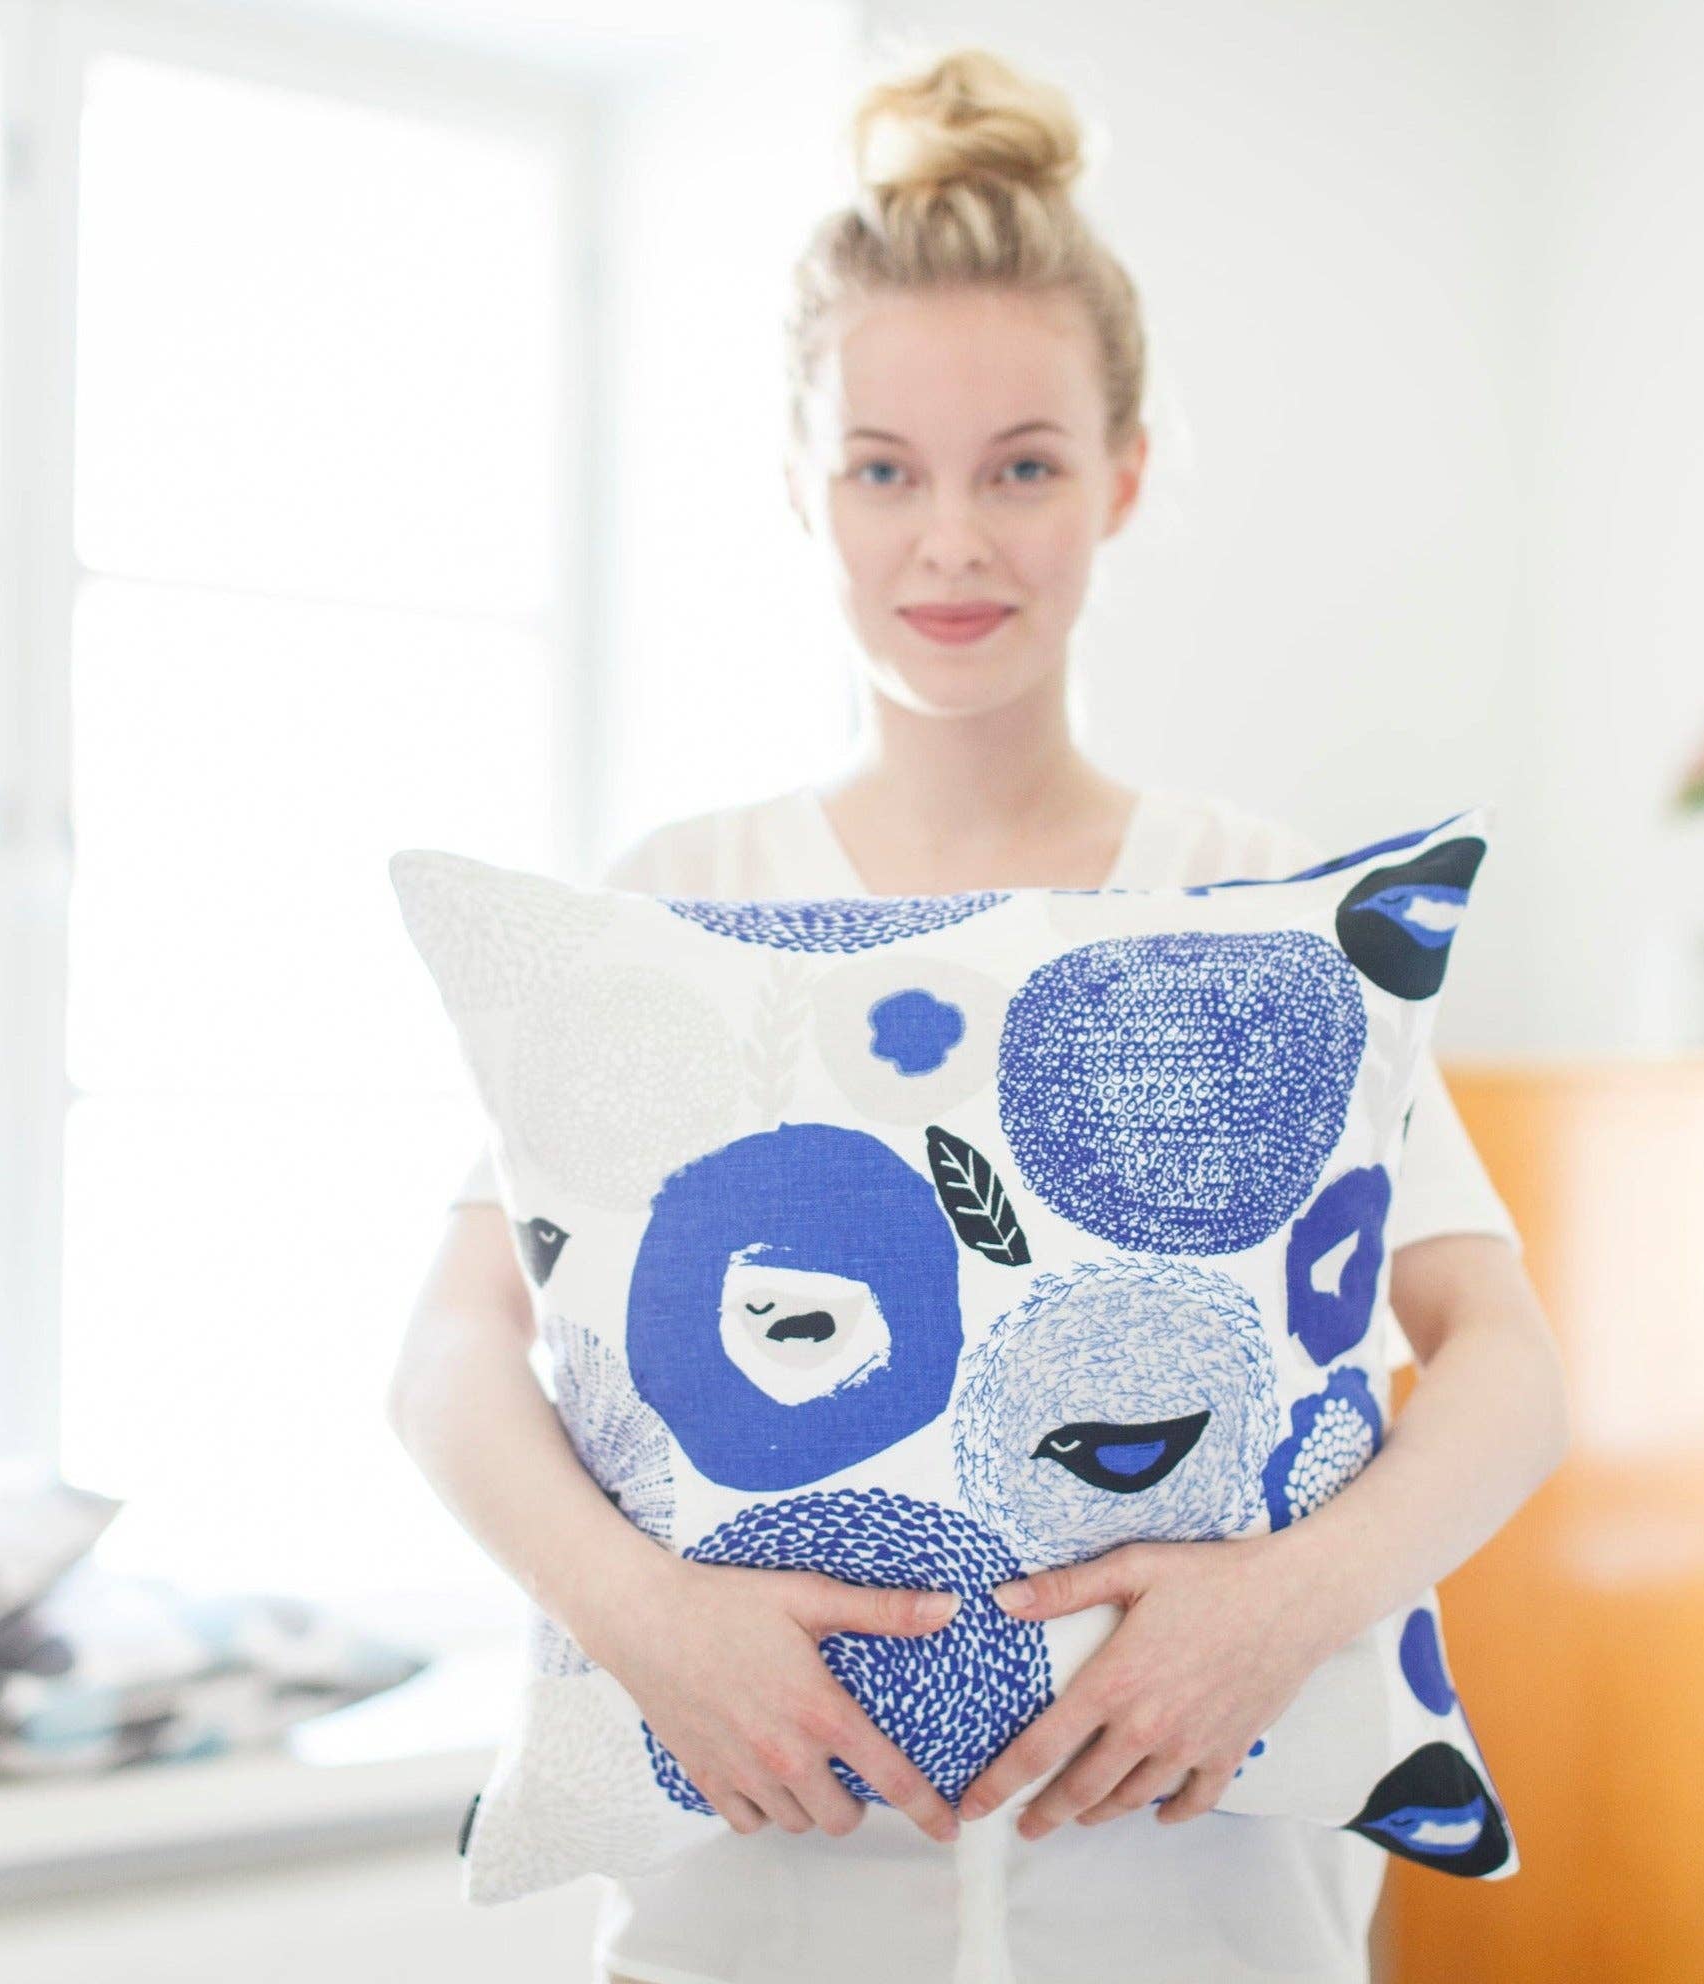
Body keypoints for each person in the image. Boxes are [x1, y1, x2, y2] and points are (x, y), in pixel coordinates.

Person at [389, 45, 1571, 1984]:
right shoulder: (682, 897)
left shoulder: (1255, 902)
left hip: (1199, 1912)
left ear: (1116, 474)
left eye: (1019, 465)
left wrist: (1274, 1611)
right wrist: (644, 1617)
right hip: (755, 1911)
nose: (950, 539)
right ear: (803, 486)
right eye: (883, 469)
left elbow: (1502, 1354)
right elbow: (448, 1345)